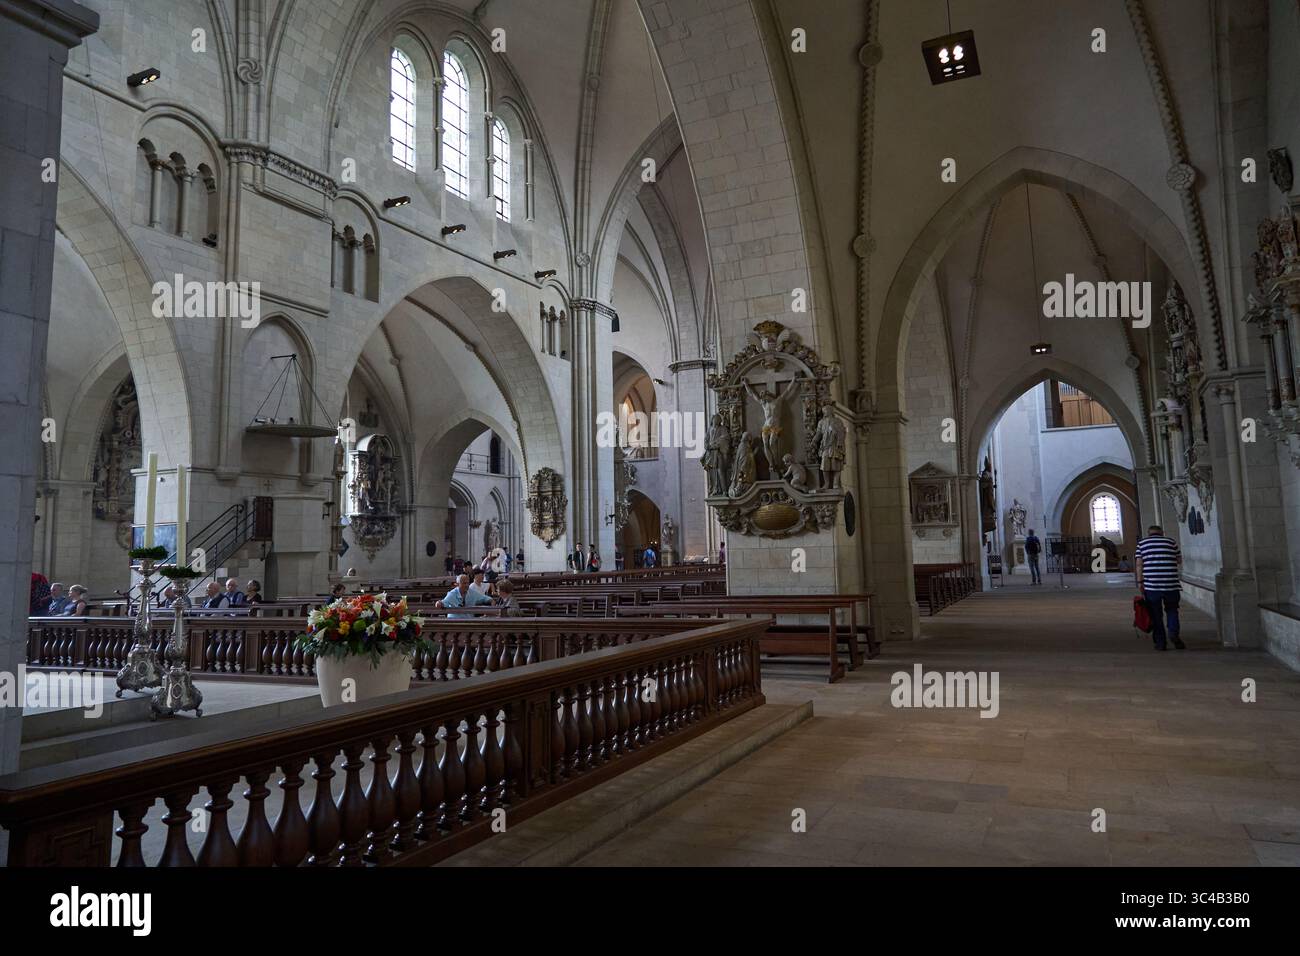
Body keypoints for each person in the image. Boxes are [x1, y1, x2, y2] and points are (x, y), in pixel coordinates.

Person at [1136, 524, 1184, 651]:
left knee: (1156, 615)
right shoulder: (1171, 542)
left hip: (1152, 586)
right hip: (1171, 584)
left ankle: (1161, 643)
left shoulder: (1142, 544)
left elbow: (1139, 565)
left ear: (1148, 533)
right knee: (1172, 610)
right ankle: (1173, 633)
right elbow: (1179, 560)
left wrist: (1140, 582)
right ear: (1162, 532)